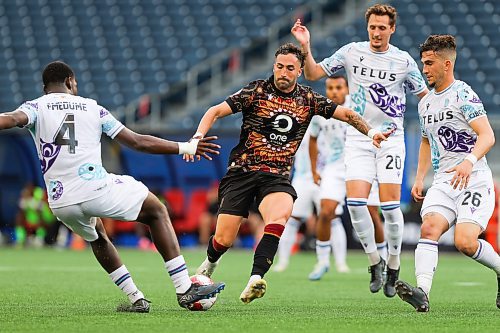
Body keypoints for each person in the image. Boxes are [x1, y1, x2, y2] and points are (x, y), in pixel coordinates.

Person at [0, 61, 225, 313]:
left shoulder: (35, 107)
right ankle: (185, 288)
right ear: (71, 81)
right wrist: (185, 147)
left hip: (61, 202)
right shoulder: (93, 108)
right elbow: (139, 142)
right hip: (94, 188)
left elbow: (9, 120)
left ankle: (136, 299)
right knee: (156, 210)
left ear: (45, 88)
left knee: (97, 236)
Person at [187, 43, 390, 304]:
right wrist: (196, 137)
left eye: (290, 68)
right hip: (242, 172)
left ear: (300, 71)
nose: (283, 72)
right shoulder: (256, 90)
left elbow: (348, 115)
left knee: (280, 217)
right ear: (274, 66)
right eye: (280, 66)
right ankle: (210, 264)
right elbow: (214, 111)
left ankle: (255, 279)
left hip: (277, 177)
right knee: (224, 238)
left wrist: (372, 132)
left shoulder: (308, 99)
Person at [292, 3, 428, 297]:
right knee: (355, 205)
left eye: (382, 28)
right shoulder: (352, 51)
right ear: (367, 28)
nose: (377, 33)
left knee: (389, 208)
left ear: (392, 29)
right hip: (359, 137)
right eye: (372, 27)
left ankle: (393, 265)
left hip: (390, 139)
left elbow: (425, 96)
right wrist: (305, 45)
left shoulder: (403, 61)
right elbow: (314, 73)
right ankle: (375, 263)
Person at [395, 35, 500, 312]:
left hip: (473, 178)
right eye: (423, 63)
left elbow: (487, 136)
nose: (425, 69)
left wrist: (468, 161)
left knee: (465, 242)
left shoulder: (463, 94)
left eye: (429, 63)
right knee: (429, 229)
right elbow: (427, 141)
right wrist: (419, 178)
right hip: (443, 180)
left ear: (447, 64)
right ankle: (422, 293)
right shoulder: (426, 103)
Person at [308, 75, 386, 279]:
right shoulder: (320, 112)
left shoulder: (359, 107)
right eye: (330, 88)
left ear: (347, 89)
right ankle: (322, 261)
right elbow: (312, 140)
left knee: (372, 213)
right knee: (325, 213)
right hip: (334, 167)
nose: (334, 91)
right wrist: (315, 169)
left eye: (339, 87)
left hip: (361, 165)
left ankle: (383, 260)